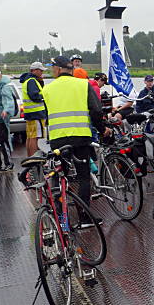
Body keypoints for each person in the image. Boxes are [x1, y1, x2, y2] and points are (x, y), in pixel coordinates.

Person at [42, 56, 111, 223]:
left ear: (58, 70)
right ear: (71, 69)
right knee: (83, 177)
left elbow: (47, 117)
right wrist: (102, 130)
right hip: (80, 138)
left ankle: (59, 214)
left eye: (53, 69)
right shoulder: (83, 84)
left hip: (58, 140)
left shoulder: (47, 90)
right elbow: (96, 111)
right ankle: (85, 217)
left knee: (59, 176)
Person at [19, 62, 47, 157]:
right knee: (36, 138)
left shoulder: (27, 80)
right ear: (34, 70)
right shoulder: (31, 81)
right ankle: (35, 159)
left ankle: (30, 158)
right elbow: (34, 95)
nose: (42, 72)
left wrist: (41, 82)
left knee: (30, 137)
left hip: (30, 113)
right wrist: (44, 96)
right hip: (36, 113)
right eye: (40, 70)